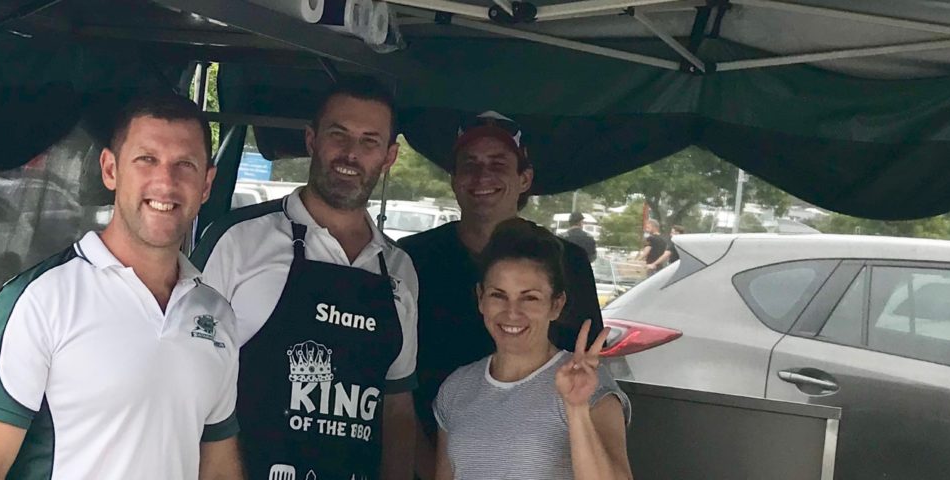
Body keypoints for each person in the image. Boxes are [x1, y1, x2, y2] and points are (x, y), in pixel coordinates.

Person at [0, 94, 243, 480]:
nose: (165, 182)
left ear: (206, 184)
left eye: (184, 165)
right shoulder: (38, 301)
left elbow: (218, 470)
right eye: (147, 159)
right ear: (110, 170)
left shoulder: (217, 318)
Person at [193, 77, 420, 480]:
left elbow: (397, 408)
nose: (351, 153)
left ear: (389, 157)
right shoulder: (238, 240)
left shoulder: (398, 269)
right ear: (312, 140)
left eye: (369, 141)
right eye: (338, 134)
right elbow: (184, 380)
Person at [395, 111, 606, 477]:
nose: (483, 176)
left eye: (498, 164)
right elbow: (392, 379)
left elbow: (584, 365)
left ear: (525, 178)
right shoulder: (410, 258)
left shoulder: (566, 261)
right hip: (430, 450)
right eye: (470, 164)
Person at [432, 219, 632, 480]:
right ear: (481, 298)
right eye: (498, 295)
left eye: (530, 298)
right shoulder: (457, 388)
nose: (512, 312)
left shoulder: (587, 383)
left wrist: (576, 409)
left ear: (556, 305)